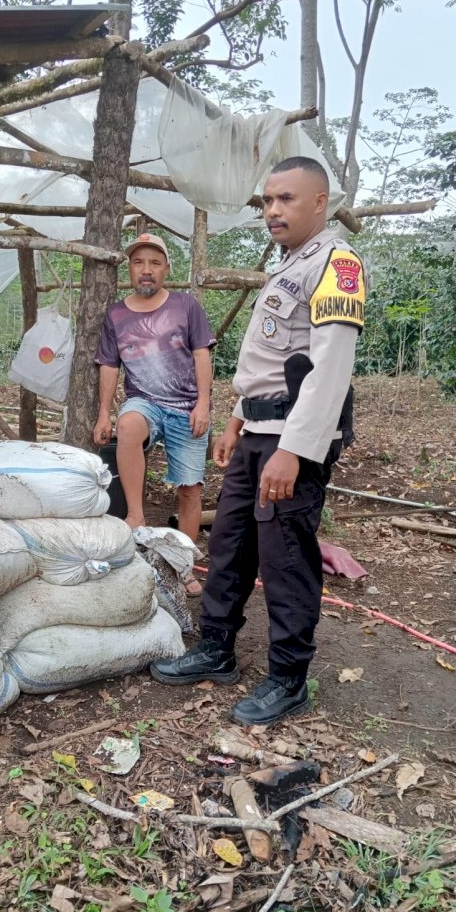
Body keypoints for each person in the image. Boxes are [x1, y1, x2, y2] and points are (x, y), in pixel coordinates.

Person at [150, 157, 367, 726]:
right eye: (267, 201)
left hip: (291, 440)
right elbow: (269, 362)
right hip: (257, 433)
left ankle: (289, 678)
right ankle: (216, 648)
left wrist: (294, 450)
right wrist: (236, 420)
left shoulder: (335, 264)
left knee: (286, 557)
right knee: (230, 545)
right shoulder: (288, 264)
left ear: (320, 203)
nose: (272, 210)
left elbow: (329, 367)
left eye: (286, 199)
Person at [93, 233, 216, 585]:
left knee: (190, 488)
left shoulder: (185, 306)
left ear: (165, 269)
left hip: (186, 405)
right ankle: (136, 517)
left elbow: (202, 355)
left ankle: (184, 565)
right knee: (129, 425)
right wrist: (104, 413)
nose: (146, 270)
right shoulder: (116, 314)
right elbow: (109, 365)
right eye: (138, 262)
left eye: (154, 263)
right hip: (144, 401)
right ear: (130, 269)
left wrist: (203, 405)